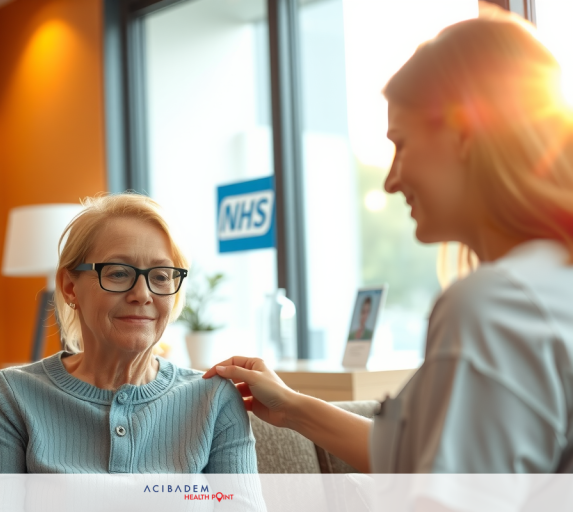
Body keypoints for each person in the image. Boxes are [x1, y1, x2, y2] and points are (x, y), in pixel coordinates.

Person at [204, 13, 573, 477]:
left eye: (401, 143)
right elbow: (419, 456)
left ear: (464, 133)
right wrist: (294, 408)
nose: (392, 178)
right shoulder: (550, 284)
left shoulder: (495, 306)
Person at [0, 193, 258, 474]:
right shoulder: (9, 396)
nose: (142, 294)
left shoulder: (215, 399)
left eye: (160, 276)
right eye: (118, 273)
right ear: (69, 287)